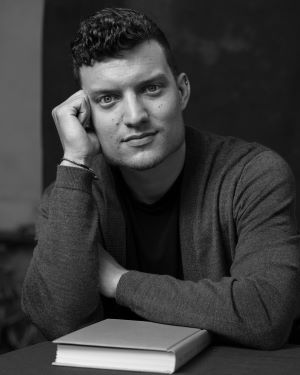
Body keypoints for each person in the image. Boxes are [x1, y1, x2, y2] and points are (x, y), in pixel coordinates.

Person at [22, 7, 300, 349]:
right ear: (86, 113)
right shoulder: (71, 194)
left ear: (181, 92)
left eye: (151, 89)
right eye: (107, 99)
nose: (135, 116)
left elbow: (265, 314)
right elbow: (57, 321)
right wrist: (75, 161)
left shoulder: (252, 175)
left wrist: (117, 280)